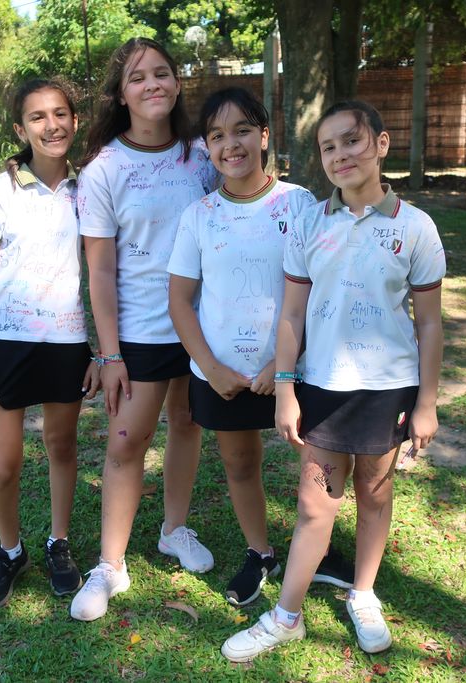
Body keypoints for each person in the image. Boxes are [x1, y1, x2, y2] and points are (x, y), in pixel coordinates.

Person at [221, 100, 446, 661]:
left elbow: (430, 323)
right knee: (314, 505)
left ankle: (363, 594)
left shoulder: (415, 227)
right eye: (328, 146)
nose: (341, 154)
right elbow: (292, 315)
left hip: (387, 390)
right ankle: (286, 617)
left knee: (375, 492)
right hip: (321, 387)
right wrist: (286, 389)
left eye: (352, 140)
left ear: (381, 144)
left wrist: (426, 403)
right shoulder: (308, 223)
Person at [69, 37, 219, 622]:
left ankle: (173, 530)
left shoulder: (203, 155)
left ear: (177, 84)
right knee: (126, 444)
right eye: (138, 77)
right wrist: (109, 354)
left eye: (162, 73)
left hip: (202, 326)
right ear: (120, 94)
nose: (152, 84)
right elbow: (100, 270)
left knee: (187, 424)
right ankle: (111, 564)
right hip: (140, 332)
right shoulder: (103, 168)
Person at [167, 87, 315, 607]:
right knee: (239, 464)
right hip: (224, 375)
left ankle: (318, 549)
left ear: (265, 136)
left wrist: (285, 365)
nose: (231, 145)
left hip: (294, 370)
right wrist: (210, 367)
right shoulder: (199, 215)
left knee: (318, 467)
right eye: (217, 136)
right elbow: (180, 301)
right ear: (207, 147)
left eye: (243, 131)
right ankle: (261, 552)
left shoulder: (300, 205)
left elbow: (320, 292)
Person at [0, 77, 101, 609]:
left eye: (61, 113)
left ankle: (58, 544)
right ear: (21, 130)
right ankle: (10, 551)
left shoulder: (90, 189)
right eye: (38, 117)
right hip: (4, 346)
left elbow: (101, 272)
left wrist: (99, 351)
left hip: (66, 343)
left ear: (74, 121)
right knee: (4, 465)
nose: (52, 125)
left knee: (61, 447)